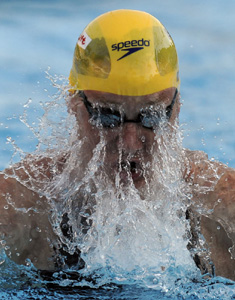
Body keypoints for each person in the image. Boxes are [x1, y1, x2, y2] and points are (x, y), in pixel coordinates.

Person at [0, 9, 234, 281]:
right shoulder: (20, 208)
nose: (130, 142)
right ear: (75, 107)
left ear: (176, 109)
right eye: (107, 116)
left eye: (153, 116)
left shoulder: (221, 207)